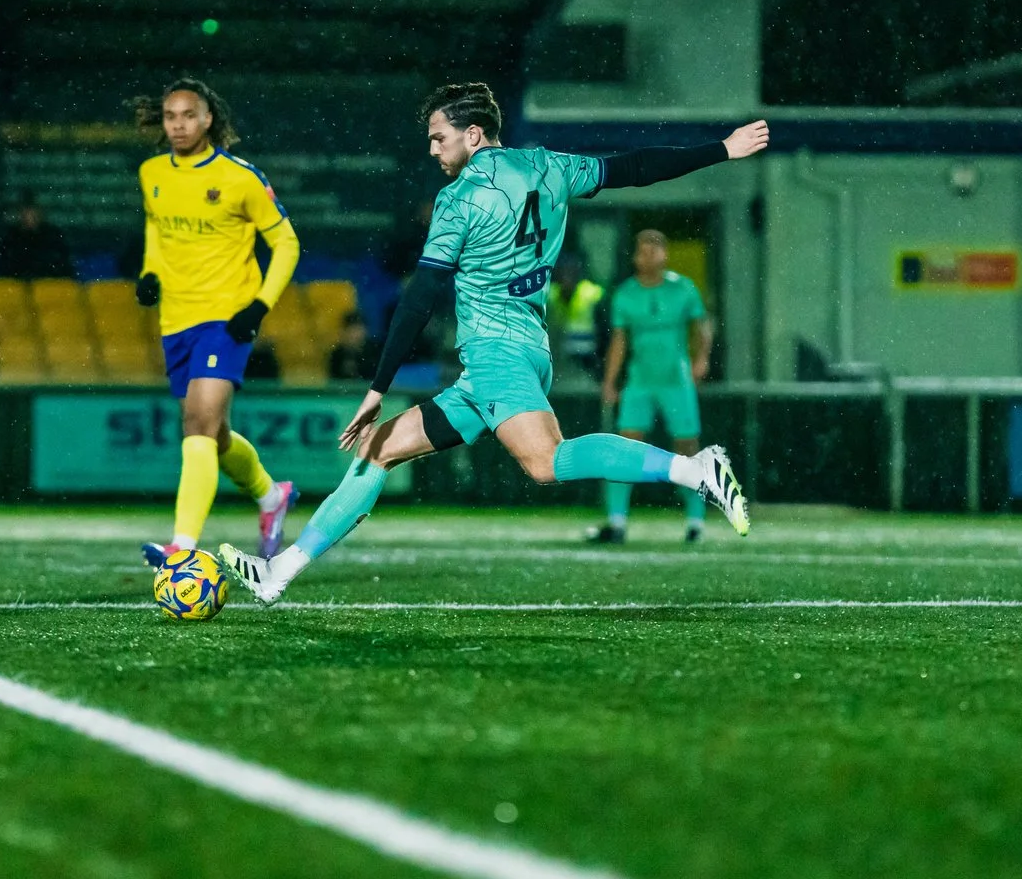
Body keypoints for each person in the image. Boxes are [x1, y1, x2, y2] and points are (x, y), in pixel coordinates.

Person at [222, 84, 769, 604]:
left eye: (440, 137)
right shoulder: (550, 166)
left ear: (475, 135)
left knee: (547, 463)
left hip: (495, 356)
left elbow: (421, 297)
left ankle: (694, 470)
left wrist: (376, 387)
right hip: (525, 352)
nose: (432, 148)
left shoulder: (459, 199)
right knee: (378, 450)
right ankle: (280, 570)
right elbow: (635, 167)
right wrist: (721, 149)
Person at [122, 78, 302, 569]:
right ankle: (271, 496)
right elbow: (156, 228)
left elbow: (287, 243)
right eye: (170, 116)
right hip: (175, 319)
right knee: (214, 435)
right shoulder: (152, 173)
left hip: (226, 317)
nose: (178, 124)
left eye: (188, 115)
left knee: (196, 423)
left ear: (208, 120)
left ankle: (182, 546)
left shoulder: (240, 177)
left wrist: (259, 305)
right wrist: (150, 273)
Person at [588, 229, 714, 544]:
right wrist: (610, 381)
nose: (649, 257)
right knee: (626, 448)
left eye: (655, 250)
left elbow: (701, 328)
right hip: (640, 380)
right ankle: (617, 521)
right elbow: (619, 341)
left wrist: (702, 359)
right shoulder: (626, 294)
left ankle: (695, 521)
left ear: (665, 254)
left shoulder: (683, 289)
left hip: (676, 379)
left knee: (686, 448)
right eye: (643, 251)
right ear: (635, 256)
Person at [546, 244, 606, 376]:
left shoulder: (592, 293)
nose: (567, 277)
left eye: (571, 272)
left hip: (588, 358)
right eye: (563, 271)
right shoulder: (551, 294)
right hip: (559, 359)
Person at [0, 193, 75, 280]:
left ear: (40, 213)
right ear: (20, 213)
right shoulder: (11, 236)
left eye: (33, 211)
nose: (30, 216)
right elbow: (5, 265)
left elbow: (61, 263)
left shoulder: (53, 235)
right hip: (18, 282)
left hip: (47, 283)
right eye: (26, 212)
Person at [326, 311, 375, 382]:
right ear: (344, 332)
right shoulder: (337, 354)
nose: (357, 335)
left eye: (359, 330)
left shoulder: (373, 353)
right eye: (353, 331)